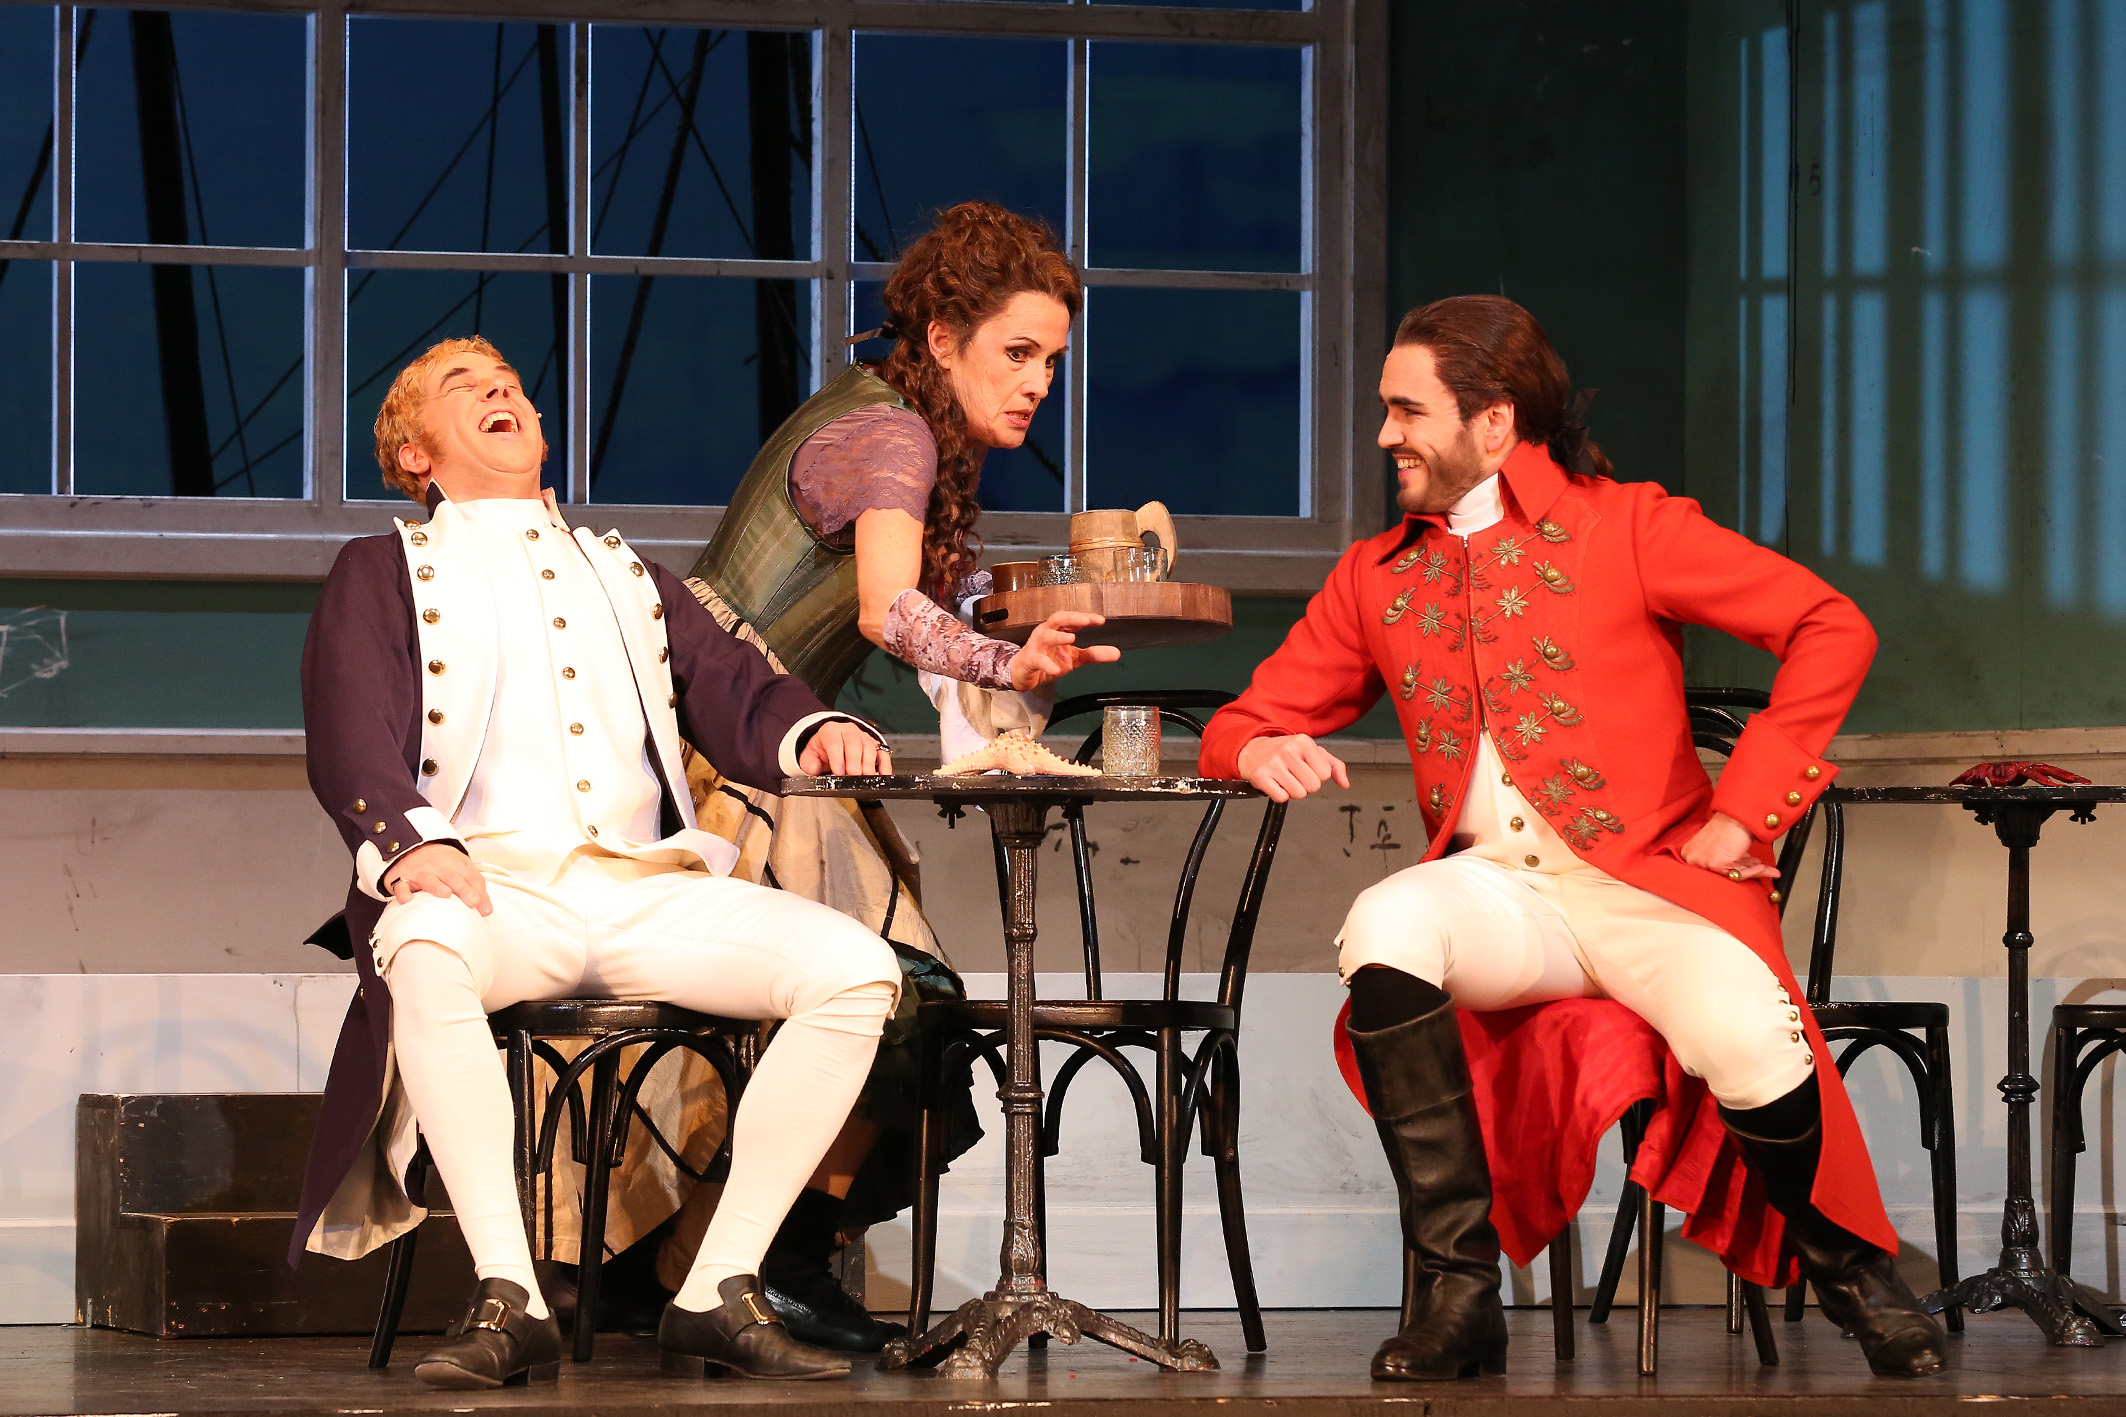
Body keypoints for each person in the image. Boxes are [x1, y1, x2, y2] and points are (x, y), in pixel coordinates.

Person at [1198, 296, 1946, 1382]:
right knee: (1385, 921)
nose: (1382, 436)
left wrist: (1743, 809)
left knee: (1744, 1040)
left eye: (1404, 411)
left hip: (1653, 889)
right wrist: (1257, 749)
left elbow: (1830, 624)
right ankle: (1455, 1292)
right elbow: (1239, 722)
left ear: (1492, 421)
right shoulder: (1376, 573)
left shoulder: (1626, 524)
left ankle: (1853, 1275)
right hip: (1504, 898)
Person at [291, 335, 902, 1388]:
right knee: (422, 946)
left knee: (855, 969)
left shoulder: (626, 576)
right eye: (464, 386)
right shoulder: (384, 568)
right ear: (414, 452)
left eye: (512, 382)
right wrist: (409, 845)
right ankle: (508, 1292)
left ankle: (717, 1283)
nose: (501, 390)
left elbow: (740, 692)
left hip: (644, 893)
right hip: (492, 892)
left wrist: (813, 733)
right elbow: (347, 726)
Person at [672, 202, 1115, 1350]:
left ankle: (780, 1261)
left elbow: (941, 590)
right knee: (896, 996)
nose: (1035, 383)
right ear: (937, 339)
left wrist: (1029, 620)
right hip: (733, 749)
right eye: (1014, 352)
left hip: (761, 739)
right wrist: (996, 655)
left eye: (1051, 362)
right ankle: (782, 1267)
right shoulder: (894, 438)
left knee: (895, 1000)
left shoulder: (887, 426)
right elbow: (889, 609)